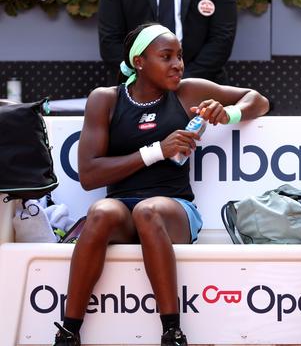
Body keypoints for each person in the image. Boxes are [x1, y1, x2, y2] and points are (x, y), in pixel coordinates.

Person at [52, 23, 269, 346]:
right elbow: (89, 175)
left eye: (180, 56)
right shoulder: (105, 100)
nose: (177, 64)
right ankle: (69, 331)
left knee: (147, 210)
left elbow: (259, 100)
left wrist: (229, 114)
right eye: (166, 57)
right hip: (122, 208)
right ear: (139, 62)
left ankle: (172, 332)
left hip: (174, 209)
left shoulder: (189, 91)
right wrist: (157, 151)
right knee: (99, 212)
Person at [98, 0, 237, 84]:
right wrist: (145, 81)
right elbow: (110, 40)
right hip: (135, 88)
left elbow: (222, 38)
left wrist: (183, 80)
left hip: (202, 86)